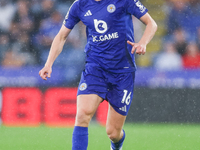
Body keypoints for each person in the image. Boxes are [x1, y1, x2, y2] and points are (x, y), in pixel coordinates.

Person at [39, 0, 157, 149]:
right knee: (82, 115)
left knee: (113, 133)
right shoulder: (79, 5)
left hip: (122, 72)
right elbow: (62, 35)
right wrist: (48, 64)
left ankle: (117, 145)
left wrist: (143, 42)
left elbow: (152, 23)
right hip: (95, 68)